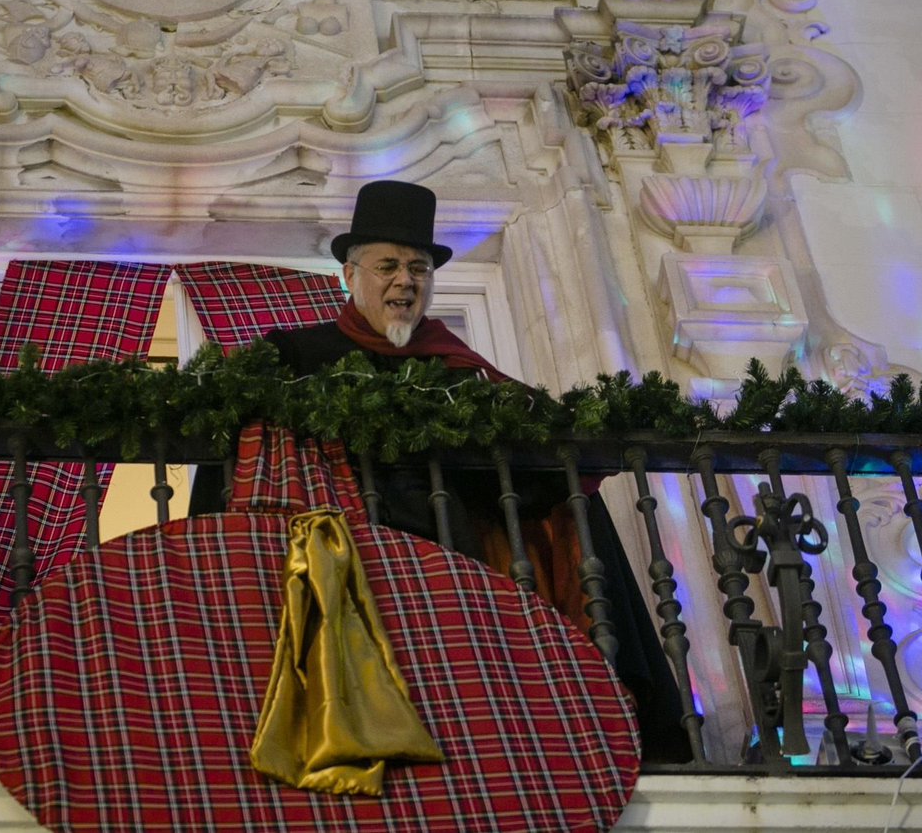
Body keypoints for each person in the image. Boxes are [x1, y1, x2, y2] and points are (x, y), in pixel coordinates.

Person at [188, 179, 691, 763]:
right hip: (338, 571)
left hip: (448, 576)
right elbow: (232, 440)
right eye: (388, 266)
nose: (405, 280)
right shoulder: (294, 355)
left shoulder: (457, 369)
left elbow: (522, 474)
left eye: (419, 267)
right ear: (350, 276)